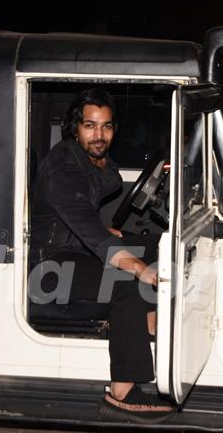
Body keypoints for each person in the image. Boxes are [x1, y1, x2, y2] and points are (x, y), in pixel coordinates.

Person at [30, 88, 172, 414]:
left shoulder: (88, 159)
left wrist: (108, 231)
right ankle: (123, 390)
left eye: (106, 127)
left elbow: (94, 202)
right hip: (46, 265)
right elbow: (90, 230)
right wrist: (138, 267)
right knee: (128, 280)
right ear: (74, 127)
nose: (99, 135)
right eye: (90, 126)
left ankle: (147, 325)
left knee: (160, 246)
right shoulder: (63, 168)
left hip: (74, 246)